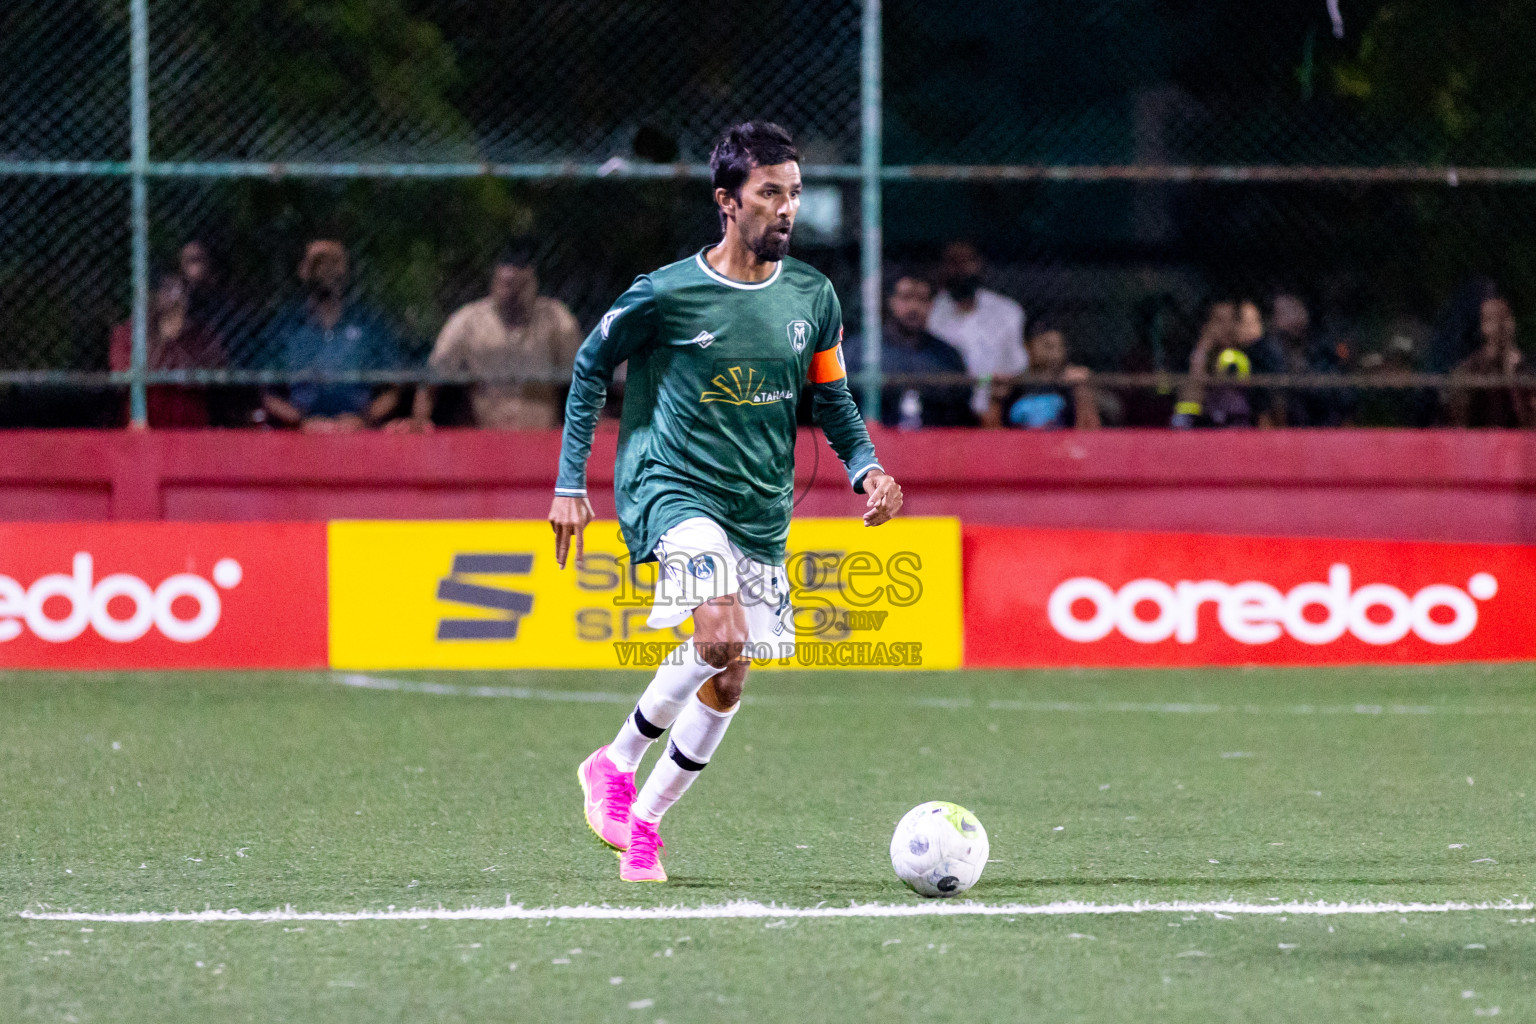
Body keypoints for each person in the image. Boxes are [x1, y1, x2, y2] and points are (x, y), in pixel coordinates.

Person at [549, 122, 902, 883]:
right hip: (672, 488)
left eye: (795, 194)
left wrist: (867, 469)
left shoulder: (813, 296)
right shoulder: (668, 293)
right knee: (718, 629)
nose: (786, 209)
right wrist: (569, 483)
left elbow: (832, 398)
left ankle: (639, 808)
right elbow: (588, 368)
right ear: (727, 201)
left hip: (760, 505)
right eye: (770, 193)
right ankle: (618, 764)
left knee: (730, 670)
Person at [411, 247, 583, 430]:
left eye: (522, 284)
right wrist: (420, 422)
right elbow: (432, 377)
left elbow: (586, 379)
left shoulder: (556, 319)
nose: (514, 293)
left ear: (534, 283)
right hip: (488, 438)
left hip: (542, 435)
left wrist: (595, 422)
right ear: (494, 284)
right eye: (508, 284)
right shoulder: (468, 321)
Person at [257, 239, 404, 432]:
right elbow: (266, 393)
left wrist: (361, 420)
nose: (326, 269)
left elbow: (392, 389)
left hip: (358, 436)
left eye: (334, 262)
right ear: (303, 270)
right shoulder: (284, 327)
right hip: (297, 439)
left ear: (346, 271)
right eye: (318, 262)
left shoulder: (370, 326)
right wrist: (301, 422)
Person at [844, 273, 975, 428]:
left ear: (931, 305)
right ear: (891, 301)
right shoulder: (859, 349)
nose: (914, 307)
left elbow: (961, 410)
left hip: (934, 442)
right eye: (906, 298)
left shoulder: (946, 355)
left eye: (922, 300)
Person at [926, 241, 1027, 427]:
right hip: (945, 413)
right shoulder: (930, 313)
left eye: (967, 262)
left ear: (979, 264)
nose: (961, 270)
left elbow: (1017, 366)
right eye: (953, 262)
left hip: (997, 410)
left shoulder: (1006, 311)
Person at [108, 273, 225, 428]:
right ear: (153, 295)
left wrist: (176, 341)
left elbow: (215, 372)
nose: (175, 298)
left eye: (181, 291)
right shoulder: (129, 332)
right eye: (167, 289)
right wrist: (162, 340)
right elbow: (122, 372)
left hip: (190, 427)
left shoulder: (201, 334)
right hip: (145, 425)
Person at [1447, 295, 1533, 428]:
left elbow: (1530, 420)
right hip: (1482, 445)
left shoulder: (1527, 369)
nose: (1500, 326)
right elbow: (1458, 418)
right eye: (1492, 319)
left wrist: (1511, 376)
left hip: (1517, 444)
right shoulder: (1470, 369)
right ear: (1483, 326)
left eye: (1504, 317)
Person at [1006, 324, 1101, 429]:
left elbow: (1090, 432)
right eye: (1048, 346)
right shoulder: (1014, 385)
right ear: (1028, 346)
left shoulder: (1071, 384)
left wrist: (1083, 393)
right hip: (1017, 443)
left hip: (1063, 443)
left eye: (1060, 347)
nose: (1055, 354)